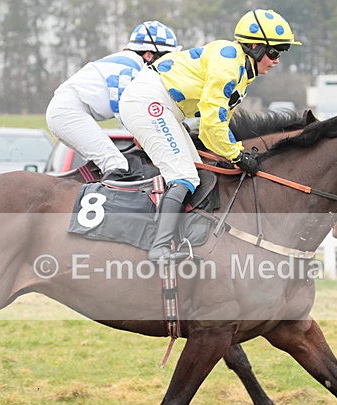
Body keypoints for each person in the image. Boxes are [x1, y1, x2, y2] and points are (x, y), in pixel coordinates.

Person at [119, 9, 301, 262]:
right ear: (256, 47)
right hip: (149, 102)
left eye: (280, 54)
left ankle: (183, 235)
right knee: (183, 176)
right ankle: (159, 248)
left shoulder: (242, 71)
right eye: (273, 52)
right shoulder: (228, 64)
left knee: (199, 170)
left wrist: (234, 152)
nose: (276, 60)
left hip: (164, 106)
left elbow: (217, 124)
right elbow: (212, 122)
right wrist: (237, 155)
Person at [46, 21, 181, 181]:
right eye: (164, 57)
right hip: (68, 113)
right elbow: (126, 110)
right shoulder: (130, 67)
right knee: (117, 165)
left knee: (104, 166)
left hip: (68, 111)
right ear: (148, 54)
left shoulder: (132, 63)